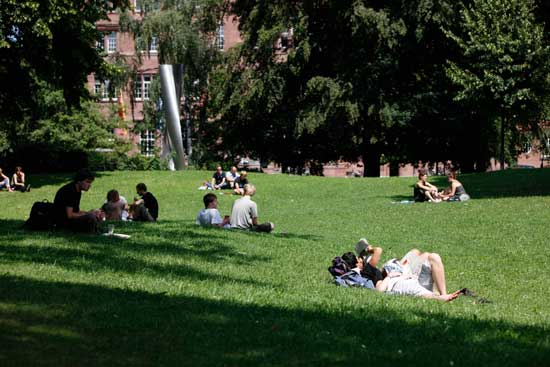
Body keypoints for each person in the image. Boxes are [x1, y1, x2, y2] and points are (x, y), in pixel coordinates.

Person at [356, 239, 461, 301]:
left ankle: (443, 294)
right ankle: (442, 296)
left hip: (406, 275)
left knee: (424, 254)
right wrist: (369, 249)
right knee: (427, 256)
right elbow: (378, 250)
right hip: (405, 279)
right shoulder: (367, 270)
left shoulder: (373, 271)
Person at [53, 168, 103, 233]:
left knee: (95, 214)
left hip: (69, 220)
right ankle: (92, 233)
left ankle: (96, 230)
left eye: (90, 182)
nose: (89, 185)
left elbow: (76, 211)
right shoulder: (70, 191)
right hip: (62, 222)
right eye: (87, 182)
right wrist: (89, 214)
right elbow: (70, 215)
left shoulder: (77, 190)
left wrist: (90, 212)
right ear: (79, 181)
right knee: (91, 217)